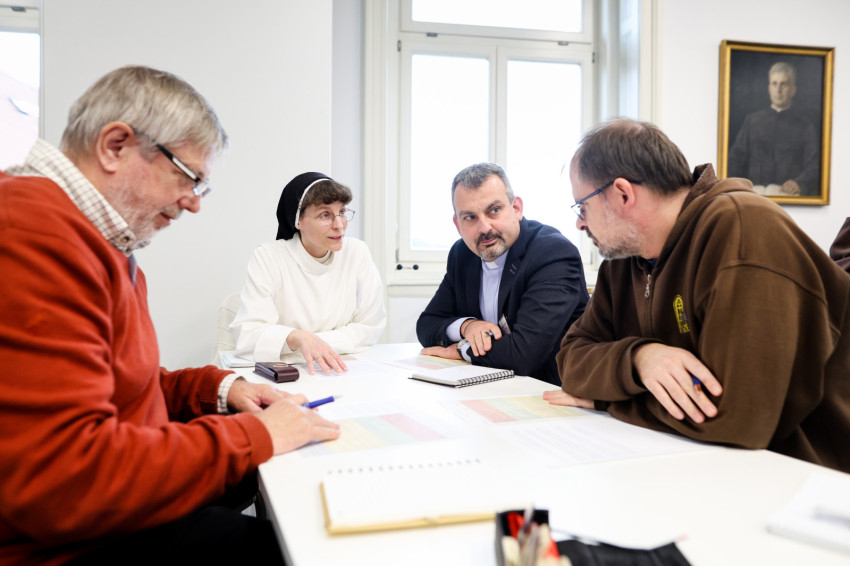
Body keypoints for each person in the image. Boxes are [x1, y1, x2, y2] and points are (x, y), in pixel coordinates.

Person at [0, 66, 341, 566]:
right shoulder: (32, 237)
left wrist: (221, 389)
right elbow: (65, 480)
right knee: (303, 546)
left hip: (112, 515)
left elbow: (119, 386)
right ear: (115, 146)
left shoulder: (95, 239)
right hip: (68, 546)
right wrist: (258, 435)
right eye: (189, 178)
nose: (193, 204)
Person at [549, 118, 850, 474]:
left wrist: (606, 400)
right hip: (701, 464)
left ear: (622, 194)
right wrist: (639, 359)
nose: (580, 224)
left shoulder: (743, 229)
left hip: (807, 476)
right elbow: (571, 358)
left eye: (582, 207)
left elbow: (737, 419)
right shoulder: (624, 260)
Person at [417, 162, 589, 386]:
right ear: (458, 225)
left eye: (494, 211)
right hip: (489, 386)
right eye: (470, 217)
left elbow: (524, 354)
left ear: (516, 208)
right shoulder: (462, 254)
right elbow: (427, 324)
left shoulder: (552, 253)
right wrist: (467, 326)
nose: (484, 227)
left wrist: (462, 349)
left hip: (551, 390)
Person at [230, 172, 386, 374]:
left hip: (343, 368)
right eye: (325, 215)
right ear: (298, 221)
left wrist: (309, 342)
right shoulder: (269, 257)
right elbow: (247, 335)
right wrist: (296, 337)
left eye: (342, 212)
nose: (339, 225)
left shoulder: (357, 252)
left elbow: (369, 327)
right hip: (291, 372)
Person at [727, 61, 820, 196]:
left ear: (793, 90)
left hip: (789, 195)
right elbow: (735, 158)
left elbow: (815, 164)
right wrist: (739, 185)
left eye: (784, 84)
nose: (778, 90)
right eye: (774, 84)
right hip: (753, 193)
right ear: (769, 88)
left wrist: (800, 183)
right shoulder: (752, 120)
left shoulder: (805, 126)